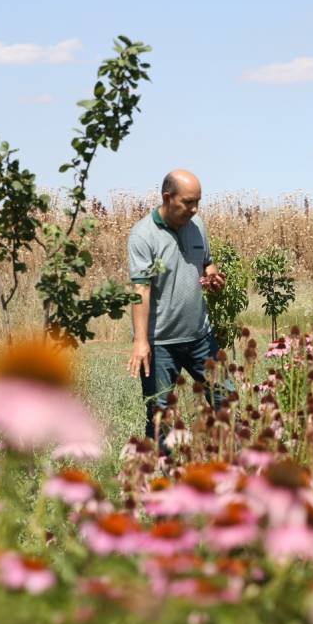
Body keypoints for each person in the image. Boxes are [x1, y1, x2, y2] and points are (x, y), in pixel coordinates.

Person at [126, 169, 226, 447]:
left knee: (226, 401)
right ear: (167, 198)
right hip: (161, 345)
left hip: (201, 338)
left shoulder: (198, 226)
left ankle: (234, 467)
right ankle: (160, 477)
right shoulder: (143, 235)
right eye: (188, 202)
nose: (195, 209)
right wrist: (141, 341)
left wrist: (214, 277)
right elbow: (141, 289)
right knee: (161, 416)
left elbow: (207, 262)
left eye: (198, 202)